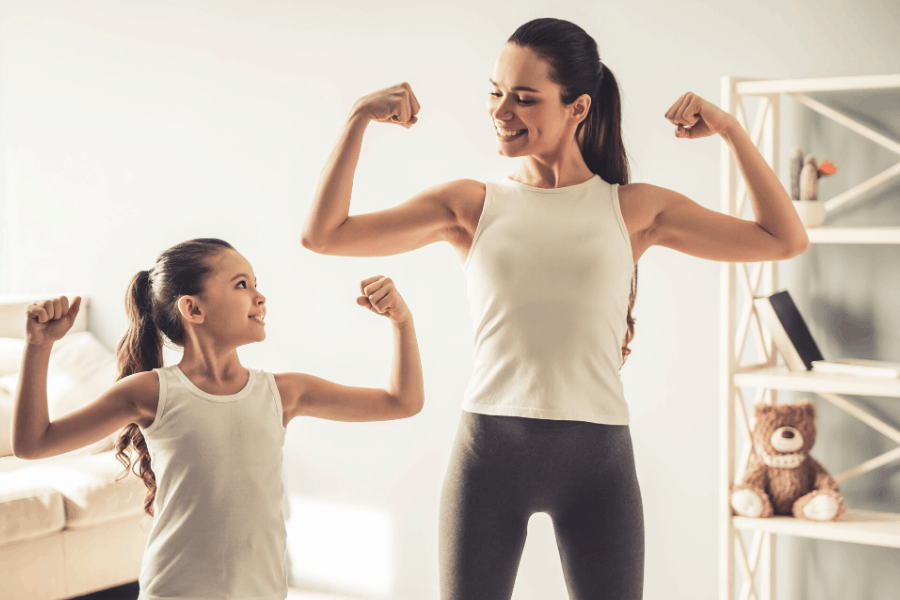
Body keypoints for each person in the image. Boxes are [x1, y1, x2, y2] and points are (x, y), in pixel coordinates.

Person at [301, 16, 808, 600]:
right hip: (487, 459)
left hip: (599, 468)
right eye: (495, 92)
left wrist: (729, 129)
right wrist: (358, 118)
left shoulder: (633, 209)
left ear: (577, 108)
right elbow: (324, 234)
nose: (501, 110)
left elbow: (782, 239)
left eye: (523, 97)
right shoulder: (470, 205)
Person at [11, 238, 424, 600]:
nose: (260, 297)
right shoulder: (151, 392)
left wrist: (402, 321)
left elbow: (401, 401)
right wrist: (39, 347)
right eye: (242, 285)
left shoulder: (284, 392)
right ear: (193, 308)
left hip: (263, 592)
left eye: (256, 284)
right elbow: (33, 443)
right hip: (174, 592)